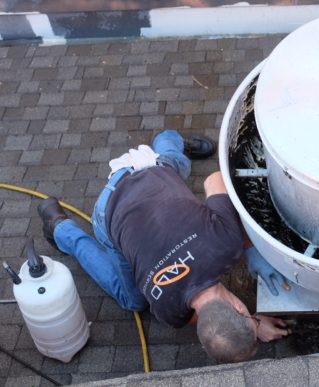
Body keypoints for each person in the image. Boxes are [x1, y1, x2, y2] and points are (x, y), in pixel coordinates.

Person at [37, 129, 291, 363]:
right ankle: (61, 231)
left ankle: (169, 140)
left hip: (149, 179)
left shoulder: (225, 244)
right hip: (112, 211)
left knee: (174, 161)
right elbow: (214, 179)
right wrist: (251, 251)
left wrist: (249, 246)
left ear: (239, 308)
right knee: (133, 301)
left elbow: (215, 180)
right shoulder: (167, 310)